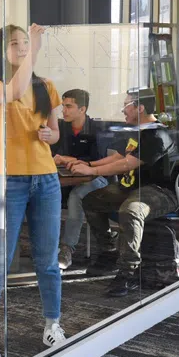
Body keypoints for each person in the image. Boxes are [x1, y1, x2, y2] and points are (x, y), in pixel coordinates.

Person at [0, 23, 66, 357]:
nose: (23, 48)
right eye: (15, 44)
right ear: (1, 50)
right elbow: (14, 92)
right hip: (5, 181)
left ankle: (53, 324)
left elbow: (55, 132)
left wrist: (49, 136)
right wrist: (37, 49)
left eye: (26, 43)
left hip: (45, 179)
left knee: (48, 260)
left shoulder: (46, 87)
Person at [70, 88, 178, 298]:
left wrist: (92, 171)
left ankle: (128, 271)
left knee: (130, 210)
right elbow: (118, 157)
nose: (123, 111)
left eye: (126, 106)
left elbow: (127, 164)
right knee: (92, 200)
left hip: (159, 192)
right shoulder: (135, 131)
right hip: (131, 188)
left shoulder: (157, 134)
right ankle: (109, 250)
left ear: (140, 107)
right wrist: (88, 163)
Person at [51, 89, 108, 270]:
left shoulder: (96, 129)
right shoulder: (60, 127)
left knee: (76, 197)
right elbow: (52, 155)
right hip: (66, 178)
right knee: (42, 191)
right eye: (63, 106)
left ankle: (67, 248)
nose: (64, 111)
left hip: (97, 179)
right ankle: (44, 246)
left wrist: (67, 159)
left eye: (69, 106)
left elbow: (98, 161)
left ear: (82, 109)